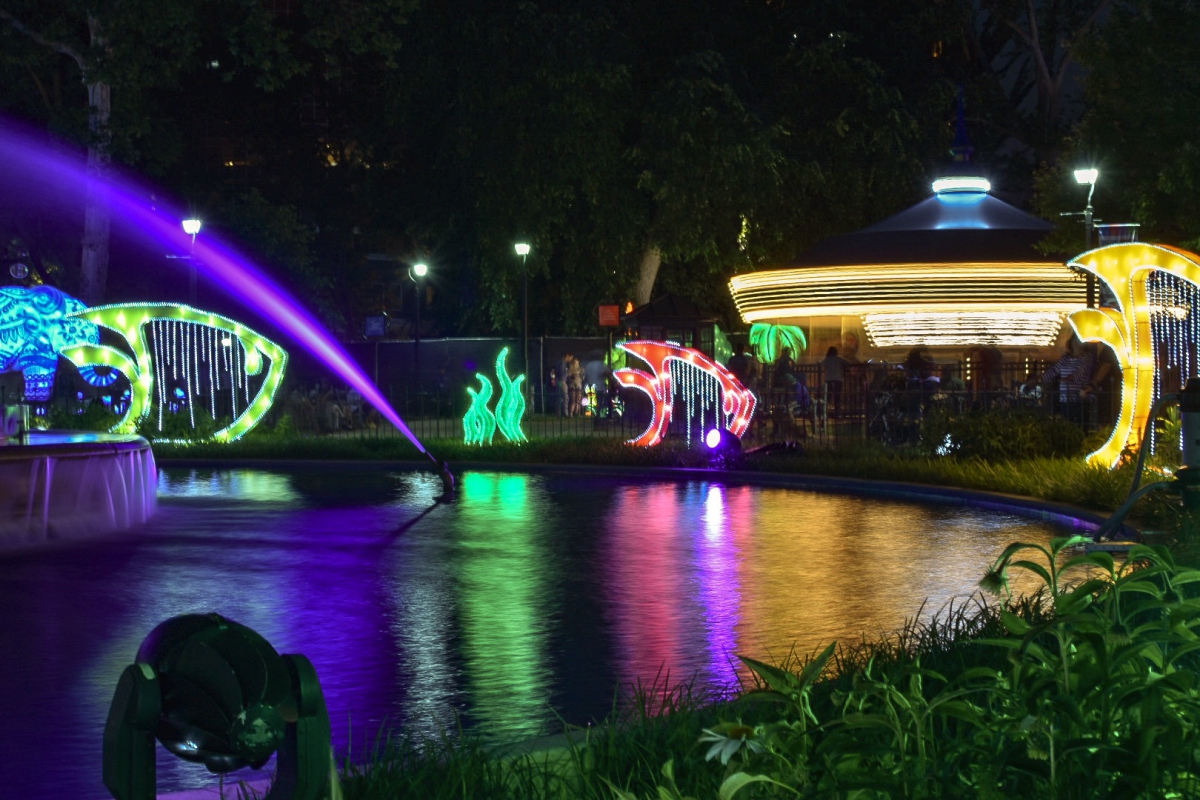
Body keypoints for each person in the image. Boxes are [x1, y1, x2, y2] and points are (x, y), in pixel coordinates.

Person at [1033, 336, 1095, 423]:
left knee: (1079, 423)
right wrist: (1040, 379)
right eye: (1075, 340)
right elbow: (1054, 370)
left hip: (1080, 398)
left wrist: (1069, 379)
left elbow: (1082, 371)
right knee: (1067, 422)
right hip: (1065, 398)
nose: (1077, 343)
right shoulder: (1065, 358)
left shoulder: (1087, 357)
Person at [821, 345, 850, 419]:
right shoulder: (839, 358)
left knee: (828, 397)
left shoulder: (827, 359)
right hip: (838, 379)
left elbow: (821, 364)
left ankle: (825, 413)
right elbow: (848, 362)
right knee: (837, 397)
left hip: (829, 379)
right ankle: (838, 414)